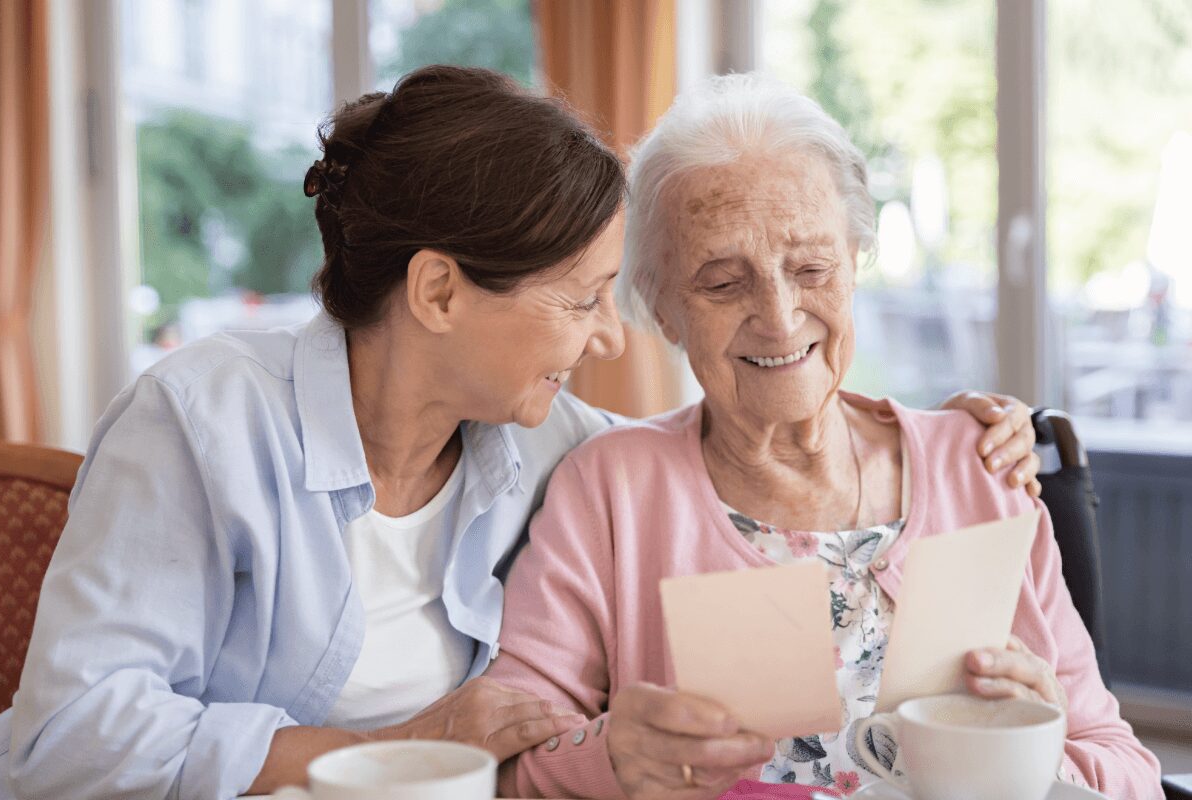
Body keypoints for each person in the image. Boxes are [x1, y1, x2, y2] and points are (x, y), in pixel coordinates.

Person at [0, 66, 1041, 800]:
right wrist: (394, 745)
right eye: (580, 300)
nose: (604, 335)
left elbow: (713, 441)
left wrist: (935, 436)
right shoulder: (201, 420)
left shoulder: (549, 441)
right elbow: (61, 739)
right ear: (440, 291)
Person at [488, 74, 1163, 800]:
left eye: (811, 268)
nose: (778, 318)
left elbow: (1129, 773)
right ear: (661, 307)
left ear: (854, 263)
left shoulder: (984, 466)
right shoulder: (609, 491)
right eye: (722, 283)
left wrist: (1041, 748)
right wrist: (612, 759)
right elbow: (509, 762)